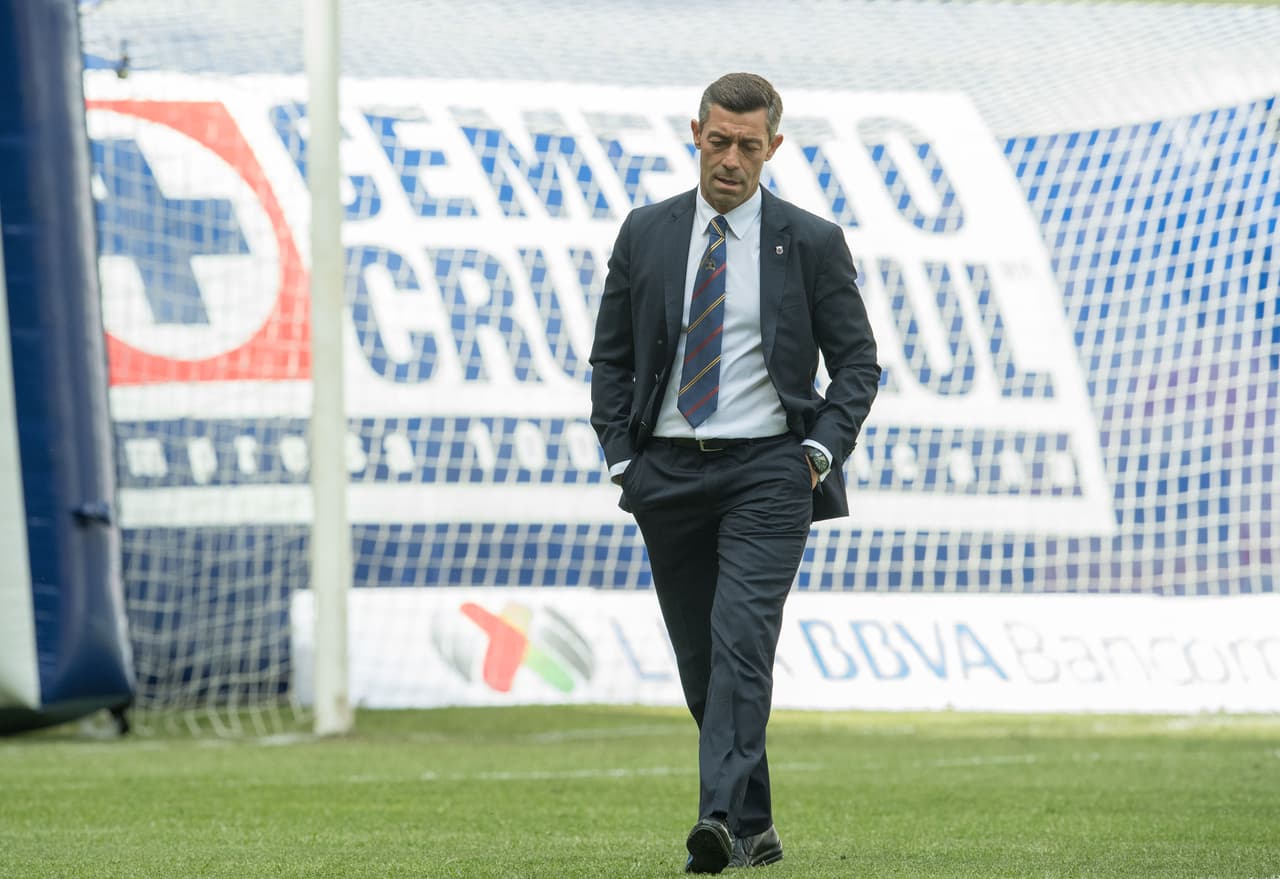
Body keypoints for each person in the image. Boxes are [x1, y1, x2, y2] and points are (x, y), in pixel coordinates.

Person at [589, 72, 880, 873]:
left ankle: (716, 819)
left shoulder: (811, 241)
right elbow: (610, 358)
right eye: (719, 141)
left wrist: (818, 453)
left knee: (742, 640)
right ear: (696, 134)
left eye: (749, 146)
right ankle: (755, 820)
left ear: (773, 148)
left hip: (768, 473)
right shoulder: (645, 232)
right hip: (666, 477)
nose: (731, 159)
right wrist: (622, 457)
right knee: (701, 662)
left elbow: (858, 363)